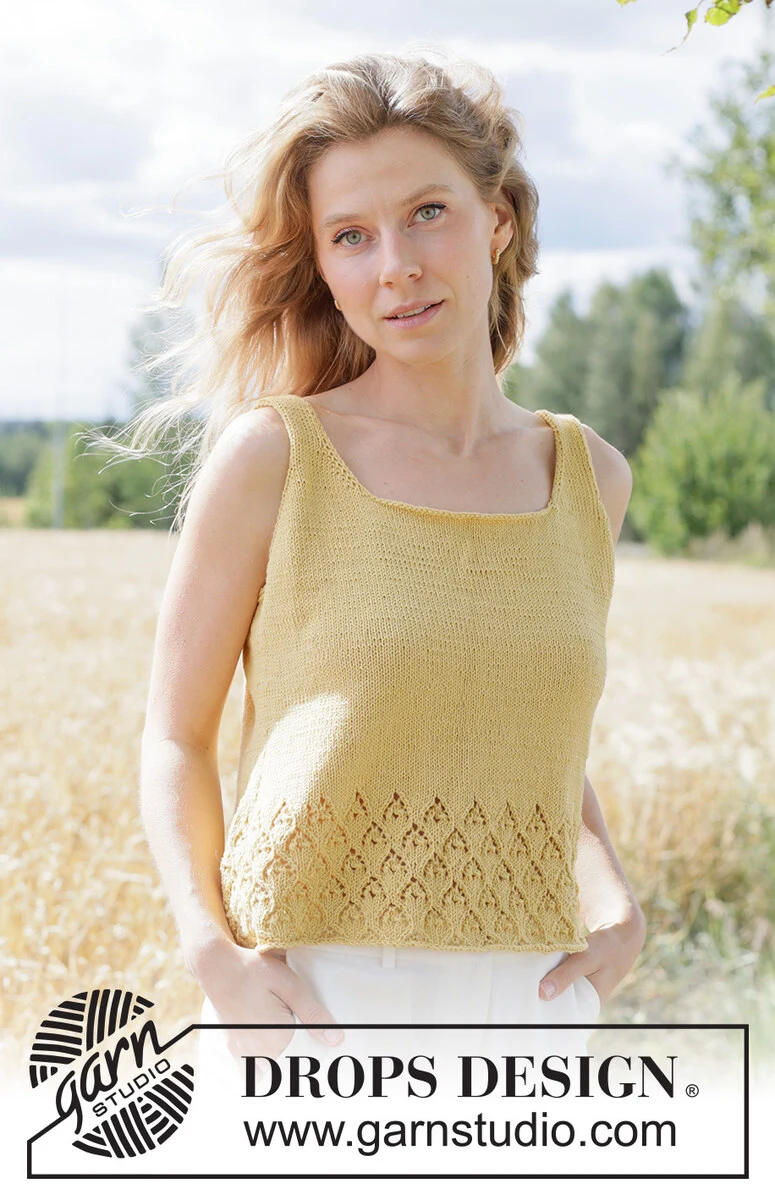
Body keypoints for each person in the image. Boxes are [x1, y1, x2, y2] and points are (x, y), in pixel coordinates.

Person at [135, 50, 646, 1102]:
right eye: (351, 237)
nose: (396, 266)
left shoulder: (588, 475)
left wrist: (614, 898)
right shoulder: (275, 458)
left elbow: (528, 733)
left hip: (532, 1007)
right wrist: (209, 950)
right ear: (323, 267)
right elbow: (174, 736)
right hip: (312, 997)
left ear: (496, 219)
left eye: (427, 214)